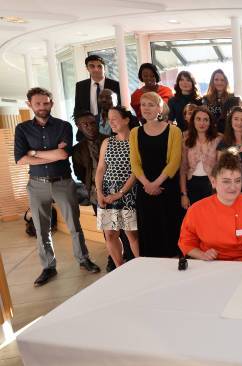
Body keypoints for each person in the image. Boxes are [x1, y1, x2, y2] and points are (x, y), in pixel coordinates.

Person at [14, 87, 100, 286]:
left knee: (74, 226)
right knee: (41, 229)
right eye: (38, 103)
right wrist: (45, 153)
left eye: (46, 103)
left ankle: (83, 259)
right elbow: (20, 159)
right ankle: (48, 267)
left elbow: (63, 155)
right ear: (30, 105)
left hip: (63, 182)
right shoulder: (22, 129)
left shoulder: (63, 126)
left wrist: (33, 153)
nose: (42, 107)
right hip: (36, 185)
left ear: (51, 103)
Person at [178, 150, 242, 262]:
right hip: (213, 264)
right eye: (226, 181)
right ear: (213, 182)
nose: (233, 187)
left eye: (237, 181)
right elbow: (186, 241)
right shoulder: (196, 210)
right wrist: (202, 255)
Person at [129, 92, 182, 257]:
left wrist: (156, 183)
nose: (146, 108)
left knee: (170, 233)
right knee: (149, 234)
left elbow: (174, 162)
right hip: (145, 191)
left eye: (151, 104)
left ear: (160, 108)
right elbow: (135, 164)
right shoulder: (135, 132)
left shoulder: (174, 131)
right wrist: (147, 184)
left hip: (167, 189)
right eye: (143, 104)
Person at [94, 106, 139, 269]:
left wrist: (120, 193)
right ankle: (119, 268)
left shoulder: (135, 140)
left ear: (126, 120)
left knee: (131, 234)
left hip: (127, 193)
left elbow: (136, 172)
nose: (110, 122)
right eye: (109, 119)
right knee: (110, 234)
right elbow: (100, 168)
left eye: (114, 118)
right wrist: (99, 192)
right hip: (107, 192)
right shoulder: (107, 141)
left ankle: (143, 268)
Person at [180, 106, 221, 209]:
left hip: (212, 185)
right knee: (195, 219)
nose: (202, 123)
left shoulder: (219, 139)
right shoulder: (186, 140)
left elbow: (222, 167)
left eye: (205, 120)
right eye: (198, 119)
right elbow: (183, 169)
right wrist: (184, 194)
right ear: (193, 121)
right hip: (192, 184)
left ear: (210, 122)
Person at [203, 69, 240, 133]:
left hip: (229, 134)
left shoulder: (233, 97)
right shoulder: (206, 99)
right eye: (216, 80)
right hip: (211, 134)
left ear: (226, 82)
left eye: (222, 80)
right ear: (212, 81)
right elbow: (204, 117)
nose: (219, 82)